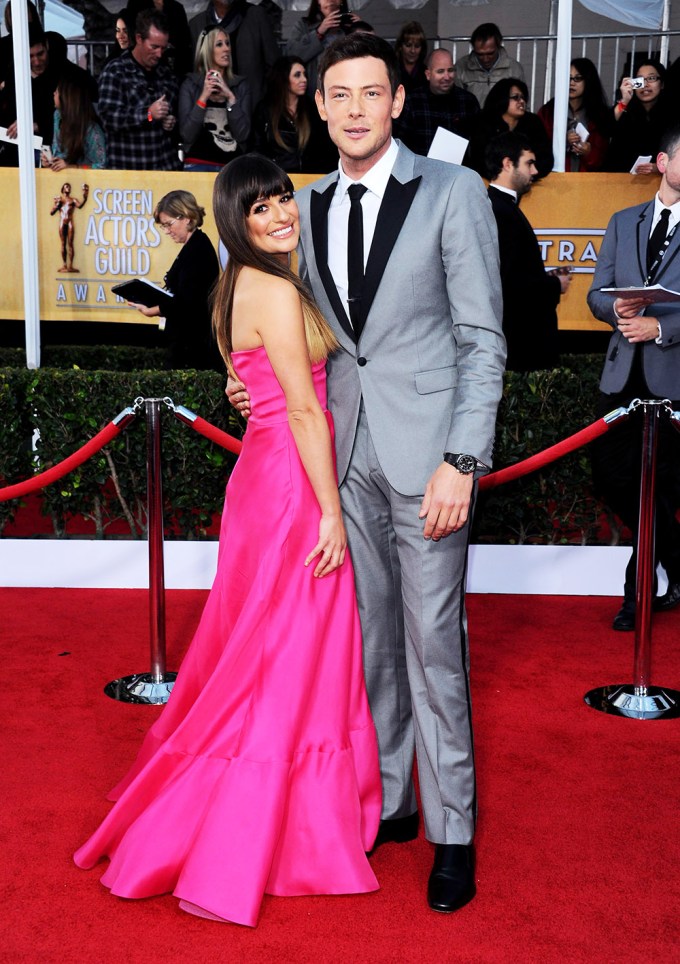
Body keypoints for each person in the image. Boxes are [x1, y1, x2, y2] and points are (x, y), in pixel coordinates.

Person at [230, 32, 506, 913]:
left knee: (433, 646)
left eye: (370, 94)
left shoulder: (455, 194)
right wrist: (254, 393)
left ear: (398, 101)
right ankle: (390, 798)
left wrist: (462, 458)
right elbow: (293, 333)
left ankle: (452, 828)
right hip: (339, 461)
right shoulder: (301, 209)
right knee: (369, 645)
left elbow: (481, 341)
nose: (353, 110)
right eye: (337, 95)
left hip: (430, 461)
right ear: (319, 107)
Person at [74, 155, 381, 925]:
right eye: (261, 210)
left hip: (262, 475)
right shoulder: (273, 287)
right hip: (291, 484)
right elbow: (305, 412)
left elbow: (251, 380)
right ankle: (252, 833)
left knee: (259, 646)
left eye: (283, 200)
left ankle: (280, 809)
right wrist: (330, 511)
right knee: (284, 653)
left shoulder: (237, 284)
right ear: (234, 221)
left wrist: (251, 394)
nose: (280, 215)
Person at [587, 122, 680, 631]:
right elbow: (596, 291)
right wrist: (617, 310)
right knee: (613, 477)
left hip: (673, 379)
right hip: (622, 378)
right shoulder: (623, 221)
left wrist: (660, 326)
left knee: (659, 487)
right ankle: (677, 561)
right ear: (663, 163)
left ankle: (636, 596)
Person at [486, 132, 570, 371]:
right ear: (507, 164)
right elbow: (507, 283)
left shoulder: (499, 206)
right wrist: (554, 285)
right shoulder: (500, 211)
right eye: (529, 163)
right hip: (516, 347)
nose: (535, 171)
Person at [127, 191, 220, 369]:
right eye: (164, 226)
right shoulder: (194, 245)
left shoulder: (198, 249)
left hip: (193, 346)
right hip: (188, 341)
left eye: (169, 224)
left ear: (186, 217)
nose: (167, 231)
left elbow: (189, 302)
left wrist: (152, 310)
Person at [97, 9, 180, 170]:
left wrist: (170, 121)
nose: (159, 54)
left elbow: (172, 114)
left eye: (163, 48)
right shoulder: (116, 71)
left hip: (164, 168)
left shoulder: (167, 74)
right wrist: (148, 114)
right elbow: (108, 118)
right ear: (139, 38)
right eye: (154, 47)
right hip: (130, 173)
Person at [179, 27, 250, 172]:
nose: (226, 49)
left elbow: (243, 134)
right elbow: (187, 134)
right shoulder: (190, 84)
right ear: (207, 50)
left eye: (227, 44)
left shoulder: (240, 85)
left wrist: (230, 97)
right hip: (198, 165)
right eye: (219, 44)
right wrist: (204, 96)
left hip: (232, 167)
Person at [252, 56, 337, 173]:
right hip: (276, 178)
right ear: (283, 78)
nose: (304, 79)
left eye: (304, 74)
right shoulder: (266, 109)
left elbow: (325, 149)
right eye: (297, 75)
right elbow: (257, 149)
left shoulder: (312, 108)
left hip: (311, 178)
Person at [188, 0, 279, 108]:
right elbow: (195, 73)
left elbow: (275, 66)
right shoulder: (197, 25)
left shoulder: (256, 15)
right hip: (212, 112)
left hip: (252, 109)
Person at [395, 47, 479, 156]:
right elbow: (399, 142)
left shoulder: (468, 101)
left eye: (450, 70)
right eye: (440, 71)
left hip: (460, 170)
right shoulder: (412, 102)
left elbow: (478, 142)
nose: (447, 76)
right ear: (428, 74)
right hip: (420, 169)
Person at [466, 77, 553, 179]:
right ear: (502, 99)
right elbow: (479, 159)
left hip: (528, 183)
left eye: (523, 97)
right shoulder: (484, 123)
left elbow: (545, 159)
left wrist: (523, 176)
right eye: (516, 97)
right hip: (491, 183)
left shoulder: (533, 122)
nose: (521, 101)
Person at [538, 58, 612, 172]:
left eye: (577, 78)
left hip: (589, 182)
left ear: (588, 80)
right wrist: (562, 142)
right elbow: (539, 149)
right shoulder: (548, 111)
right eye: (568, 78)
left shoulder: (600, 115)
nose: (571, 83)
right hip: (555, 179)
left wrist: (589, 152)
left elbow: (604, 155)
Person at [606, 61, 672, 174]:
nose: (645, 84)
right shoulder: (625, 110)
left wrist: (659, 168)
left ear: (662, 84)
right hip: (620, 179)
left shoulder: (672, 115)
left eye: (651, 78)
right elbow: (606, 128)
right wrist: (624, 100)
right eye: (640, 80)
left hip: (658, 182)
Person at [285, 0, 358, 96]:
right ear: (317, 2)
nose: (330, 0)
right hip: (313, 91)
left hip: (345, 88)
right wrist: (319, 32)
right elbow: (291, 56)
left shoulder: (351, 26)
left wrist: (360, 30)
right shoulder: (303, 25)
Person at [42, 71, 107, 171]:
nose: (54, 93)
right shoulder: (58, 116)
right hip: (62, 182)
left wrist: (71, 167)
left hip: (85, 184)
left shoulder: (92, 131)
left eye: (57, 91)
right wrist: (50, 161)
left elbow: (102, 166)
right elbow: (59, 153)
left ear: (66, 98)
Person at [455, 23, 525, 109]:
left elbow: (522, 103)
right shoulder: (461, 67)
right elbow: (456, 102)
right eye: (480, 54)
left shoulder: (514, 68)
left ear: (498, 46)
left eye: (490, 53)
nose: (485, 59)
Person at [126, 0, 193, 78]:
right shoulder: (136, 4)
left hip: (173, 70)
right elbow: (131, 37)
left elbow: (184, 46)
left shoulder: (177, 8)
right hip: (140, 68)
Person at [49, 181, 89, 273]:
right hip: (62, 222)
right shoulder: (60, 200)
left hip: (70, 222)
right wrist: (57, 206)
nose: (68, 188)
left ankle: (70, 266)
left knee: (70, 244)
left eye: (69, 187)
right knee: (63, 244)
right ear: (63, 189)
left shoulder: (73, 200)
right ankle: (64, 265)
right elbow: (51, 213)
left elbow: (80, 206)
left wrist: (85, 198)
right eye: (66, 186)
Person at [393, 21, 428, 94]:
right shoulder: (392, 70)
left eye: (417, 46)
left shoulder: (426, 72)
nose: (413, 51)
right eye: (408, 45)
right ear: (400, 46)